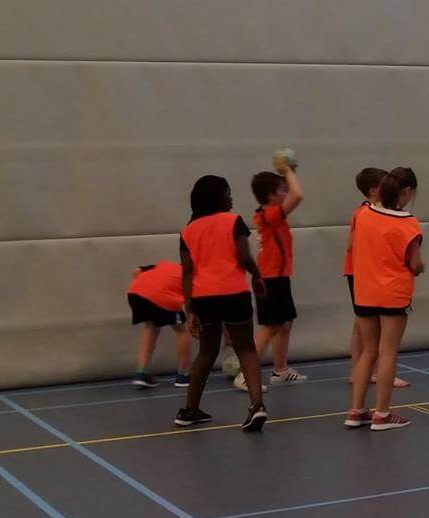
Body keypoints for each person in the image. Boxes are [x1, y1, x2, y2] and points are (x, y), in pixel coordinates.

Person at [176, 176, 269, 432]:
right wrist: (257, 276)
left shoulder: (187, 231)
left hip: (203, 298)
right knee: (246, 349)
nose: (231, 197)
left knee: (206, 352)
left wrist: (190, 310)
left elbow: (187, 272)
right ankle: (256, 406)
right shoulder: (233, 221)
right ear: (216, 198)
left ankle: (190, 410)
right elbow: (243, 256)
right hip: (233, 293)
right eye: (227, 193)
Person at [346, 168, 424, 431]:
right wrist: (419, 267)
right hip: (393, 293)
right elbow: (415, 262)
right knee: (387, 352)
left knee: (368, 351)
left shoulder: (364, 214)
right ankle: (382, 413)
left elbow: (353, 245)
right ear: (406, 192)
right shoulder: (408, 223)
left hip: (364, 291)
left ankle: (356, 410)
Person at [344, 167, 407, 392]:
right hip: (362, 272)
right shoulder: (365, 213)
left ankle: (361, 371)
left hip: (364, 272)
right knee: (375, 327)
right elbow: (351, 244)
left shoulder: (374, 212)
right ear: (373, 190)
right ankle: (377, 371)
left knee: (361, 324)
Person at [249, 156, 306, 385]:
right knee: (271, 326)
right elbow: (298, 196)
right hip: (269, 278)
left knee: (285, 323)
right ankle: (246, 374)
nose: (286, 193)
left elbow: (292, 194)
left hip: (279, 277)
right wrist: (287, 171)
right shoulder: (269, 214)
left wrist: (286, 174)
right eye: (282, 190)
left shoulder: (271, 213)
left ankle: (280, 370)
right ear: (271, 196)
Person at [127, 260, 192, 388]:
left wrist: (147, 288)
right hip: (161, 295)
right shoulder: (191, 276)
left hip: (135, 294)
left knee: (150, 327)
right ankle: (184, 375)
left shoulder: (164, 265)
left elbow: (135, 271)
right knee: (182, 330)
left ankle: (141, 373)